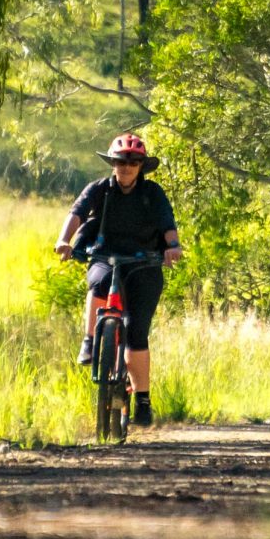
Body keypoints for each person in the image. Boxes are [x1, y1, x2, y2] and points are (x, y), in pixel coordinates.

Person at [55, 132, 184, 429]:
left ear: (141, 166)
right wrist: (64, 241)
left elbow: (168, 224)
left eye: (133, 162)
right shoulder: (99, 190)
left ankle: (142, 400)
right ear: (112, 163)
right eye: (120, 161)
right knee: (98, 285)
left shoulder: (153, 193)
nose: (126, 167)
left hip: (145, 263)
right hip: (105, 256)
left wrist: (173, 247)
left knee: (136, 331)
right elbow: (76, 213)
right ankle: (89, 342)